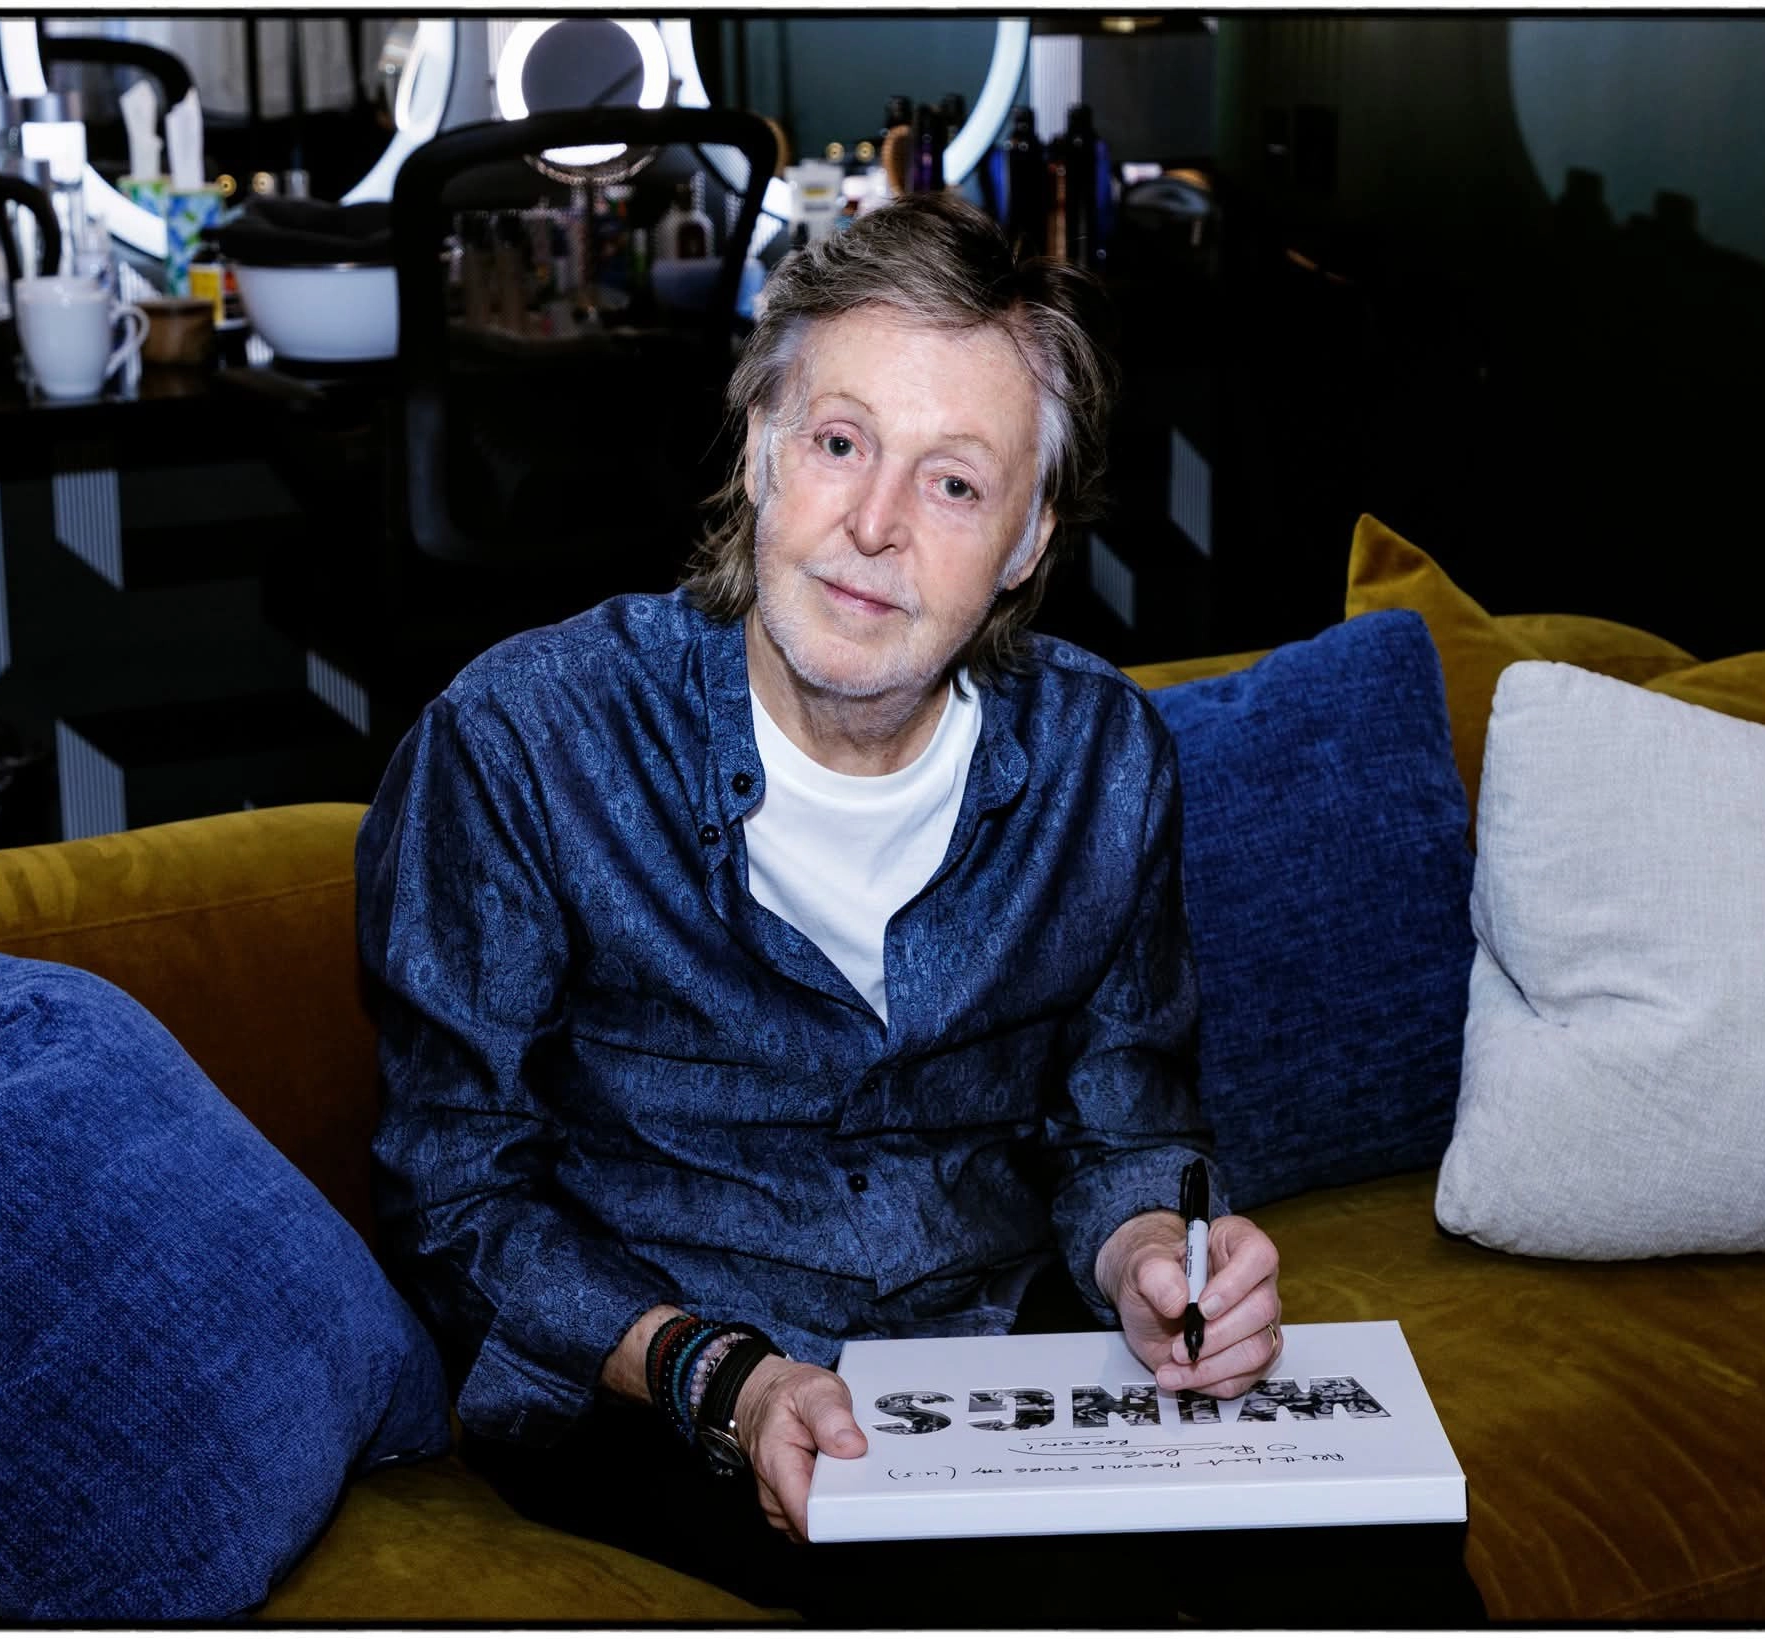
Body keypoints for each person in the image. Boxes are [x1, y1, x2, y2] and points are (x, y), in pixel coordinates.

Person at [356, 193, 1482, 1626]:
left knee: (1388, 1564)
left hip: (988, 1357)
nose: (874, 525)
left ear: (1026, 540)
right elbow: (453, 1196)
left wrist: (1152, 1256)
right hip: (662, 1389)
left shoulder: (1101, 760)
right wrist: (724, 1378)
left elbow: (1128, 1128)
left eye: (954, 483)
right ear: (759, 448)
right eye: (840, 444)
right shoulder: (522, 745)